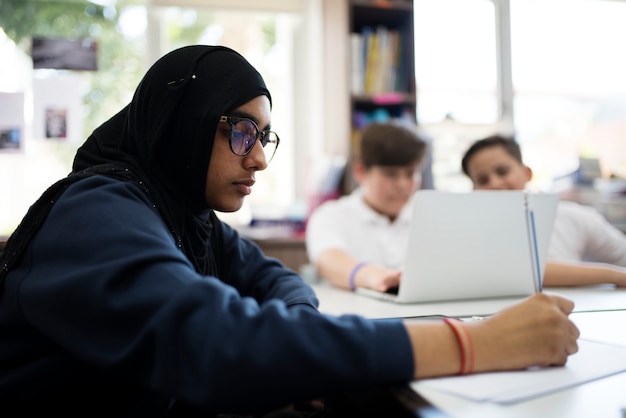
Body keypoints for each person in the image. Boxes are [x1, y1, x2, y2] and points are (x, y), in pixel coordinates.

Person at [0, 45, 579, 416]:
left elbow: (274, 279)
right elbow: (217, 343)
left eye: (264, 138)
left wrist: (295, 348)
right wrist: (474, 342)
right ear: (184, 124)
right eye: (241, 133)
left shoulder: (190, 218)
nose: (258, 161)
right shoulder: (99, 210)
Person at [461, 134, 626, 288]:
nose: (495, 184)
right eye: (482, 180)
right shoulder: (469, 233)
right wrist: (613, 276)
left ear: (527, 173)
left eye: (502, 171)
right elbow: (523, 272)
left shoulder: (576, 218)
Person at [306, 122, 427, 293]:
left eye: (410, 173)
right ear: (361, 171)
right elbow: (328, 260)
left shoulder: (430, 217)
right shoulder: (330, 215)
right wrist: (377, 276)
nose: (402, 184)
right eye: (390, 174)